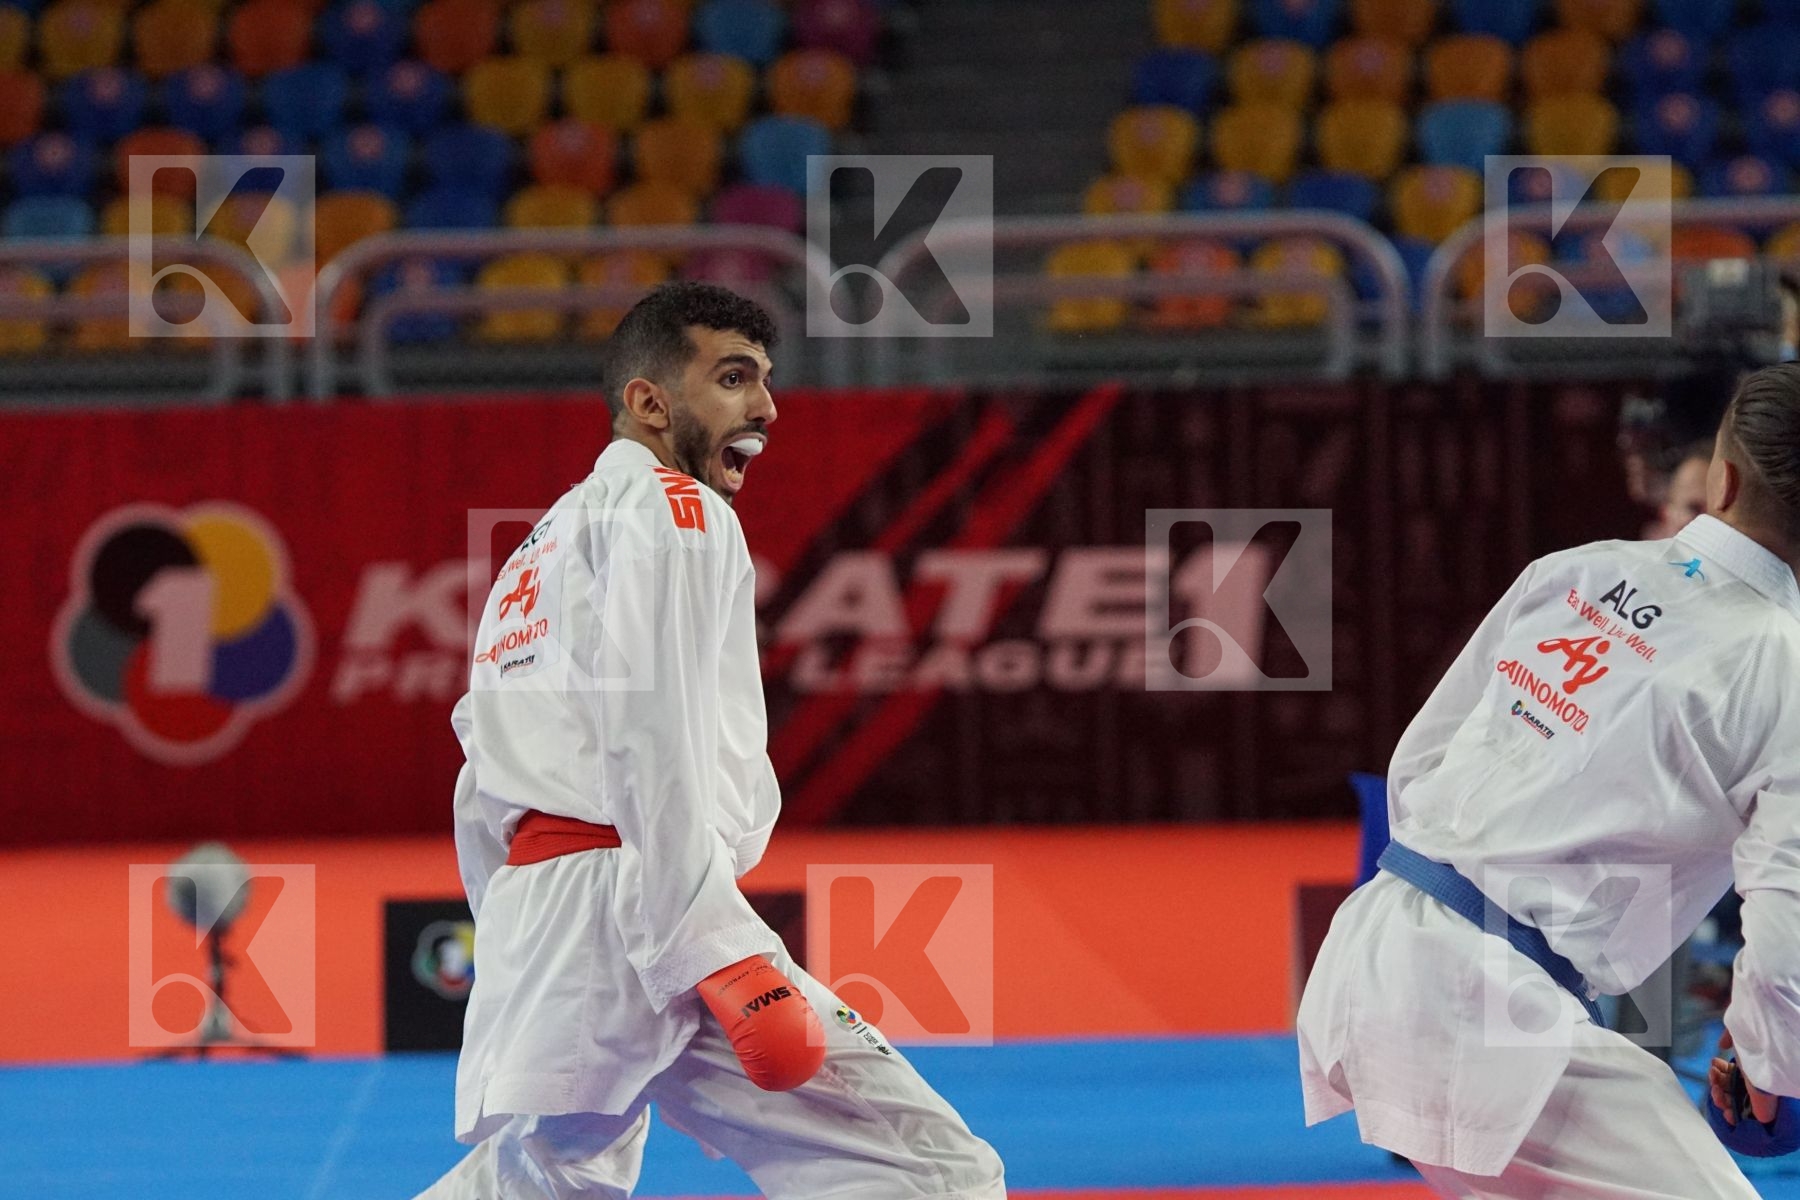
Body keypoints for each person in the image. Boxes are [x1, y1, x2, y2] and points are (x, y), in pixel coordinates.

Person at [417, 283, 1007, 1200]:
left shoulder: (540, 547)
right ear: (650, 402)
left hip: (551, 917)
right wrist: (715, 948)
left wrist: (514, 931)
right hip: (645, 906)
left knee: (549, 1182)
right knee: (933, 1174)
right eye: (732, 379)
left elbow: (477, 780)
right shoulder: (676, 513)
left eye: (766, 381)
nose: (766, 409)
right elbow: (651, 743)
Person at [1298, 363, 1800, 1197]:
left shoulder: (1577, 571)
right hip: (1491, 1007)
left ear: (1723, 476)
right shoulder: (1785, 666)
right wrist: (1772, 1065)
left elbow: (1418, 762)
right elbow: (1786, 905)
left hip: (1377, 947)